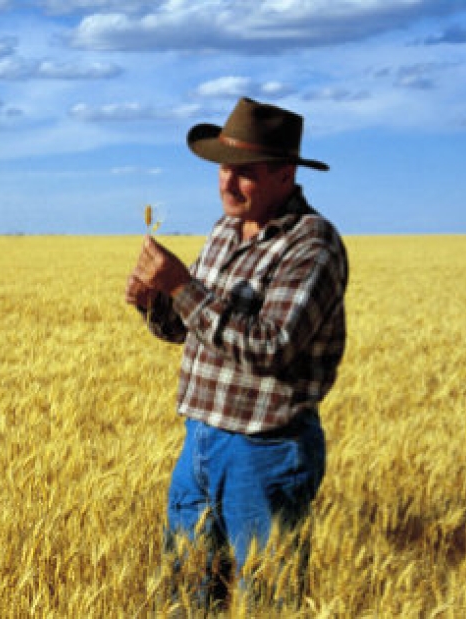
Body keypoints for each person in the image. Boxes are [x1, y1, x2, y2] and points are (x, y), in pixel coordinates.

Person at [126, 97, 348, 610]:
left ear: (285, 174)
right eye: (224, 169)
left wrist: (181, 286)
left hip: (266, 451)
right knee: (185, 595)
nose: (227, 184)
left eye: (244, 173)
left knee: (265, 600)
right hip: (199, 440)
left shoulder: (311, 245)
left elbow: (271, 348)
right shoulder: (225, 232)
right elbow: (194, 329)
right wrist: (154, 303)